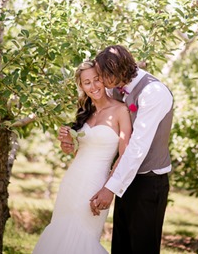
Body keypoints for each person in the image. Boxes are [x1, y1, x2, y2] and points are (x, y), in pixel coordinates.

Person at [32, 60, 132, 254]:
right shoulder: (86, 112)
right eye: (87, 82)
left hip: (95, 184)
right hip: (71, 181)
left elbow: (125, 155)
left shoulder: (121, 110)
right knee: (60, 232)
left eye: (97, 79)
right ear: (81, 86)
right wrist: (67, 142)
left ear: (104, 80)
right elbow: (77, 152)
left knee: (84, 236)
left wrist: (108, 189)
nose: (93, 86)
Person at [89, 45, 174, 254]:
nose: (100, 81)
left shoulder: (154, 92)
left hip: (149, 180)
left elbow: (137, 147)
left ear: (117, 72)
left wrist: (110, 188)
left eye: (102, 75)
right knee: (121, 245)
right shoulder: (115, 86)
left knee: (142, 247)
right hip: (125, 175)